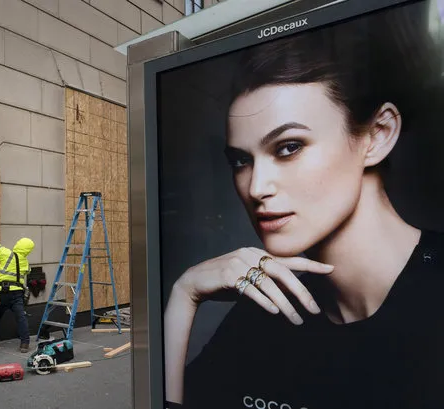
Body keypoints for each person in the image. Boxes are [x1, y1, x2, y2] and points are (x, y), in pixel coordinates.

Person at [163, 5, 444, 409]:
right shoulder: (269, 304)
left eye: (289, 147)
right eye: (241, 161)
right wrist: (184, 293)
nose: (257, 187)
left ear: (378, 135)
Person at [0, 229, 34, 353]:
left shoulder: (6, 253)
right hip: (18, 294)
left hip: (3, 292)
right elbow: (26, 272)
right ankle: (25, 343)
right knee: (21, 317)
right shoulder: (26, 263)